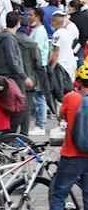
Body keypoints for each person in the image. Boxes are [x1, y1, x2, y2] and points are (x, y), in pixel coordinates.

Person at [50, 63, 88, 210]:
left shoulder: (71, 97)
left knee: (58, 195)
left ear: (77, 81)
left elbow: (61, 116)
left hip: (72, 156)